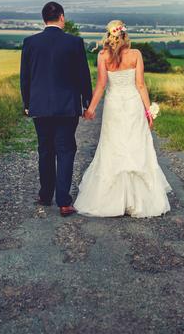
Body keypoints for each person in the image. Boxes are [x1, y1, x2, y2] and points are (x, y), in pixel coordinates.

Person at [74, 20, 171, 218]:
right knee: (135, 146)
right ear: (125, 35)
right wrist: (149, 112)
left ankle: (112, 202)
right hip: (133, 104)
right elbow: (141, 85)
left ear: (109, 35)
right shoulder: (136, 55)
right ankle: (138, 201)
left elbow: (101, 85)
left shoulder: (103, 56)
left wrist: (91, 108)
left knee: (114, 146)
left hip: (114, 106)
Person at [20, 1, 92, 217]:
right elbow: (83, 75)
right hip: (67, 107)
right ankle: (63, 202)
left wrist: (27, 104)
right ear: (62, 17)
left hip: (39, 106)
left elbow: (25, 77)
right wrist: (86, 101)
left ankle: (45, 195)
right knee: (66, 150)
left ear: (44, 19)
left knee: (45, 150)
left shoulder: (30, 42)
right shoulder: (74, 42)